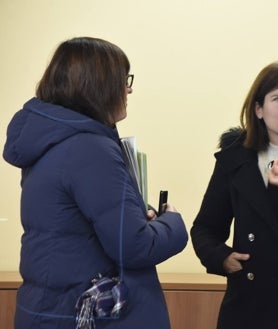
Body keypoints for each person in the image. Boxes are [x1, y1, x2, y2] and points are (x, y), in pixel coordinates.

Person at [3, 37, 188, 329]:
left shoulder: (52, 141)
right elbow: (134, 247)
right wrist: (173, 223)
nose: (128, 89)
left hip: (49, 310)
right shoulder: (90, 149)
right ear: (98, 85)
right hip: (86, 316)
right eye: (123, 79)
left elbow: (76, 221)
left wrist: (137, 214)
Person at [190, 61, 278, 329]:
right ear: (259, 109)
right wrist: (223, 259)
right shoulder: (235, 161)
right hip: (249, 307)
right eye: (277, 98)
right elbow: (205, 228)